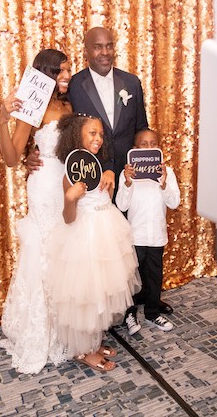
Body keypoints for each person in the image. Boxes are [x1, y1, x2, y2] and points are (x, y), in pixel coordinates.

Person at [25, 27, 173, 314]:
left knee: (136, 239)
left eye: (109, 46)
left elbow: (141, 125)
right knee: (100, 248)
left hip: (129, 174)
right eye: (97, 47)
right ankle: (114, 311)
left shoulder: (132, 81)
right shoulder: (73, 85)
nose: (104, 52)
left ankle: (145, 298)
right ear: (87, 51)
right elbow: (52, 127)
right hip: (92, 178)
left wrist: (150, 160)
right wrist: (30, 155)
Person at [47, 113, 141, 372]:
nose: (98, 139)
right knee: (86, 295)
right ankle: (83, 350)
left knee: (102, 293)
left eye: (101, 134)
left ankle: (94, 342)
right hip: (83, 236)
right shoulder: (71, 172)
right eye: (92, 133)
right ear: (77, 136)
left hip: (106, 232)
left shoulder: (98, 165)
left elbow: (105, 197)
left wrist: (109, 174)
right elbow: (68, 219)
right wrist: (69, 198)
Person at [0, 49, 72, 374]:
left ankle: (67, 328)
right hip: (43, 188)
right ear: (48, 73)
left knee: (65, 254)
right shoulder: (34, 103)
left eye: (69, 70)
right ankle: (41, 331)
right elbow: (13, 157)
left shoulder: (70, 104)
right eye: (63, 72)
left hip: (68, 186)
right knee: (44, 254)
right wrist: (2, 117)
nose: (68, 76)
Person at [116, 129, 180, 335]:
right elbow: (121, 205)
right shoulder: (128, 174)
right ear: (135, 149)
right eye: (144, 144)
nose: (149, 146)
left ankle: (152, 313)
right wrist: (126, 183)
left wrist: (163, 184)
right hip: (135, 236)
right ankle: (130, 314)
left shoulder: (167, 172)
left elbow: (174, 202)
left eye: (153, 143)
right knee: (132, 278)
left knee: (154, 277)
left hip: (156, 236)